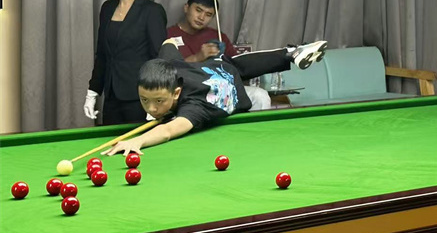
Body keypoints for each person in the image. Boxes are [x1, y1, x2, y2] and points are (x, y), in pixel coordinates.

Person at [101, 38, 327, 156]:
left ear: (177, 92)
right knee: (237, 64)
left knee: (236, 69)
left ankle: (291, 53)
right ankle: (290, 53)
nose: (151, 108)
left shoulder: (195, 104)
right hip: (212, 67)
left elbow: (168, 131)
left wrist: (138, 140)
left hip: (229, 88)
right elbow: (168, 44)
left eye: (159, 101)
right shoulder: (169, 65)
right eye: (144, 100)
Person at [85, 0, 168, 125]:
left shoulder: (152, 11)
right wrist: (92, 92)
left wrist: (157, 101)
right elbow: (102, 54)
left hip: (141, 97)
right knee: (111, 141)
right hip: (111, 95)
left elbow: (159, 59)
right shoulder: (107, 8)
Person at [166, 0, 271, 110]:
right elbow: (166, 72)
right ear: (186, 8)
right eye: (198, 10)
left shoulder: (218, 36)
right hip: (188, 93)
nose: (201, 17)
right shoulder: (168, 35)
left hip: (222, 89)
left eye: (208, 14)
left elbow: (237, 67)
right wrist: (198, 57)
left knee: (260, 95)